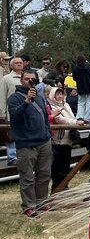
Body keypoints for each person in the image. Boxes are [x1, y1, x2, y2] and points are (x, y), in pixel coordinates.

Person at [8, 69, 52, 218]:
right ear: (21, 81)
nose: (29, 81)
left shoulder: (39, 98)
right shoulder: (15, 98)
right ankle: (29, 206)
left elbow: (45, 118)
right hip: (26, 144)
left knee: (44, 174)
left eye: (32, 79)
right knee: (27, 177)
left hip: (44, 141)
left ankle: (41, 202)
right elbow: (15, 117)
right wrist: (27, 101)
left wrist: (47, 134)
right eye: (26, 79)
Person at [47, 86, 84, 192]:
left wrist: (76, 121)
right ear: (52, 95)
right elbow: (59, 119)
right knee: (57, 165)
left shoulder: (66, 104)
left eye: (61, 94)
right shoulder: (51, 106)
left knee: (65, 165)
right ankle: (56, 187)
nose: (60, 96)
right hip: (58, 140)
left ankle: (64, 186)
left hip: (68, 139)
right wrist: (75, 123)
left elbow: (71, 117)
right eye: (57, 94)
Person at [0, 56, 24, 166]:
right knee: (11, 134)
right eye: (17, 63)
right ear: (11, 65)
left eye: (21, 62)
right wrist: (2, 112)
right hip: (11, 111)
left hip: (25, 110)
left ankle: (23, 155)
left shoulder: (27, 77)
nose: (19, 64)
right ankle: (12, 157)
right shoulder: (6, 79)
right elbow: (2, 96)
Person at [73, 55, 90, 122]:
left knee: (81, 103)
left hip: (80, 87)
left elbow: (74, 78)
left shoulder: (75, 68)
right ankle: (87, 118)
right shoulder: (88, 66)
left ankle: (79, 117)